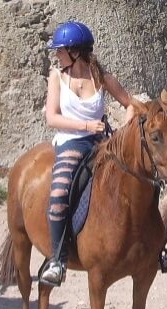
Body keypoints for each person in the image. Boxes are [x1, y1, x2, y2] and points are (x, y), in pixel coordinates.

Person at [39, 21, 134, 287]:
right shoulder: (57, 77)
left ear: (75, 51)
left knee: (137, 182)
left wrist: (122, 133)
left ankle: (152, 248)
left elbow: (130, 104)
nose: (56, 55)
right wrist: (86, 126)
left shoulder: (101, 77)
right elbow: (52, 118)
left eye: (59, 50)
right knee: (59, 194)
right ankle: (57, 260)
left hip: (102, 143)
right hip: (71, 143)